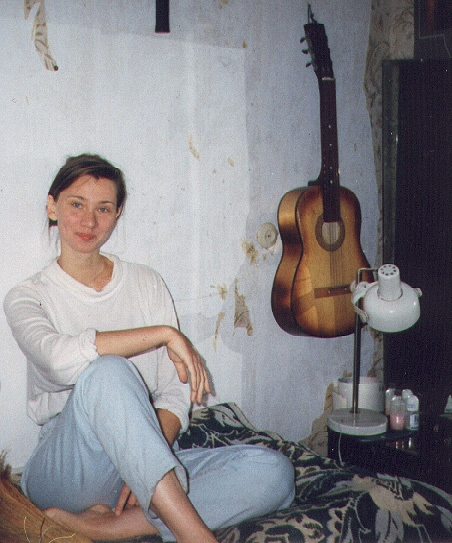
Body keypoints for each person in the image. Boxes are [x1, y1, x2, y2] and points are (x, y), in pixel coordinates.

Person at [3, 154, 295, 543]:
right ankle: (194, 535)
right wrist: (162, 334)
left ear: (117, 214)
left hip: (141, 453)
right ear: (52, 207)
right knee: (107, 371)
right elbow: (58, 361)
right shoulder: (27, 296)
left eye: (103, 208)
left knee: (274, 473)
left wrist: (142, 461)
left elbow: (174, 390)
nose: (89, 222)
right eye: (76, 204)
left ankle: (112, 526)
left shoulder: (145, 282)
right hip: (67, 472)